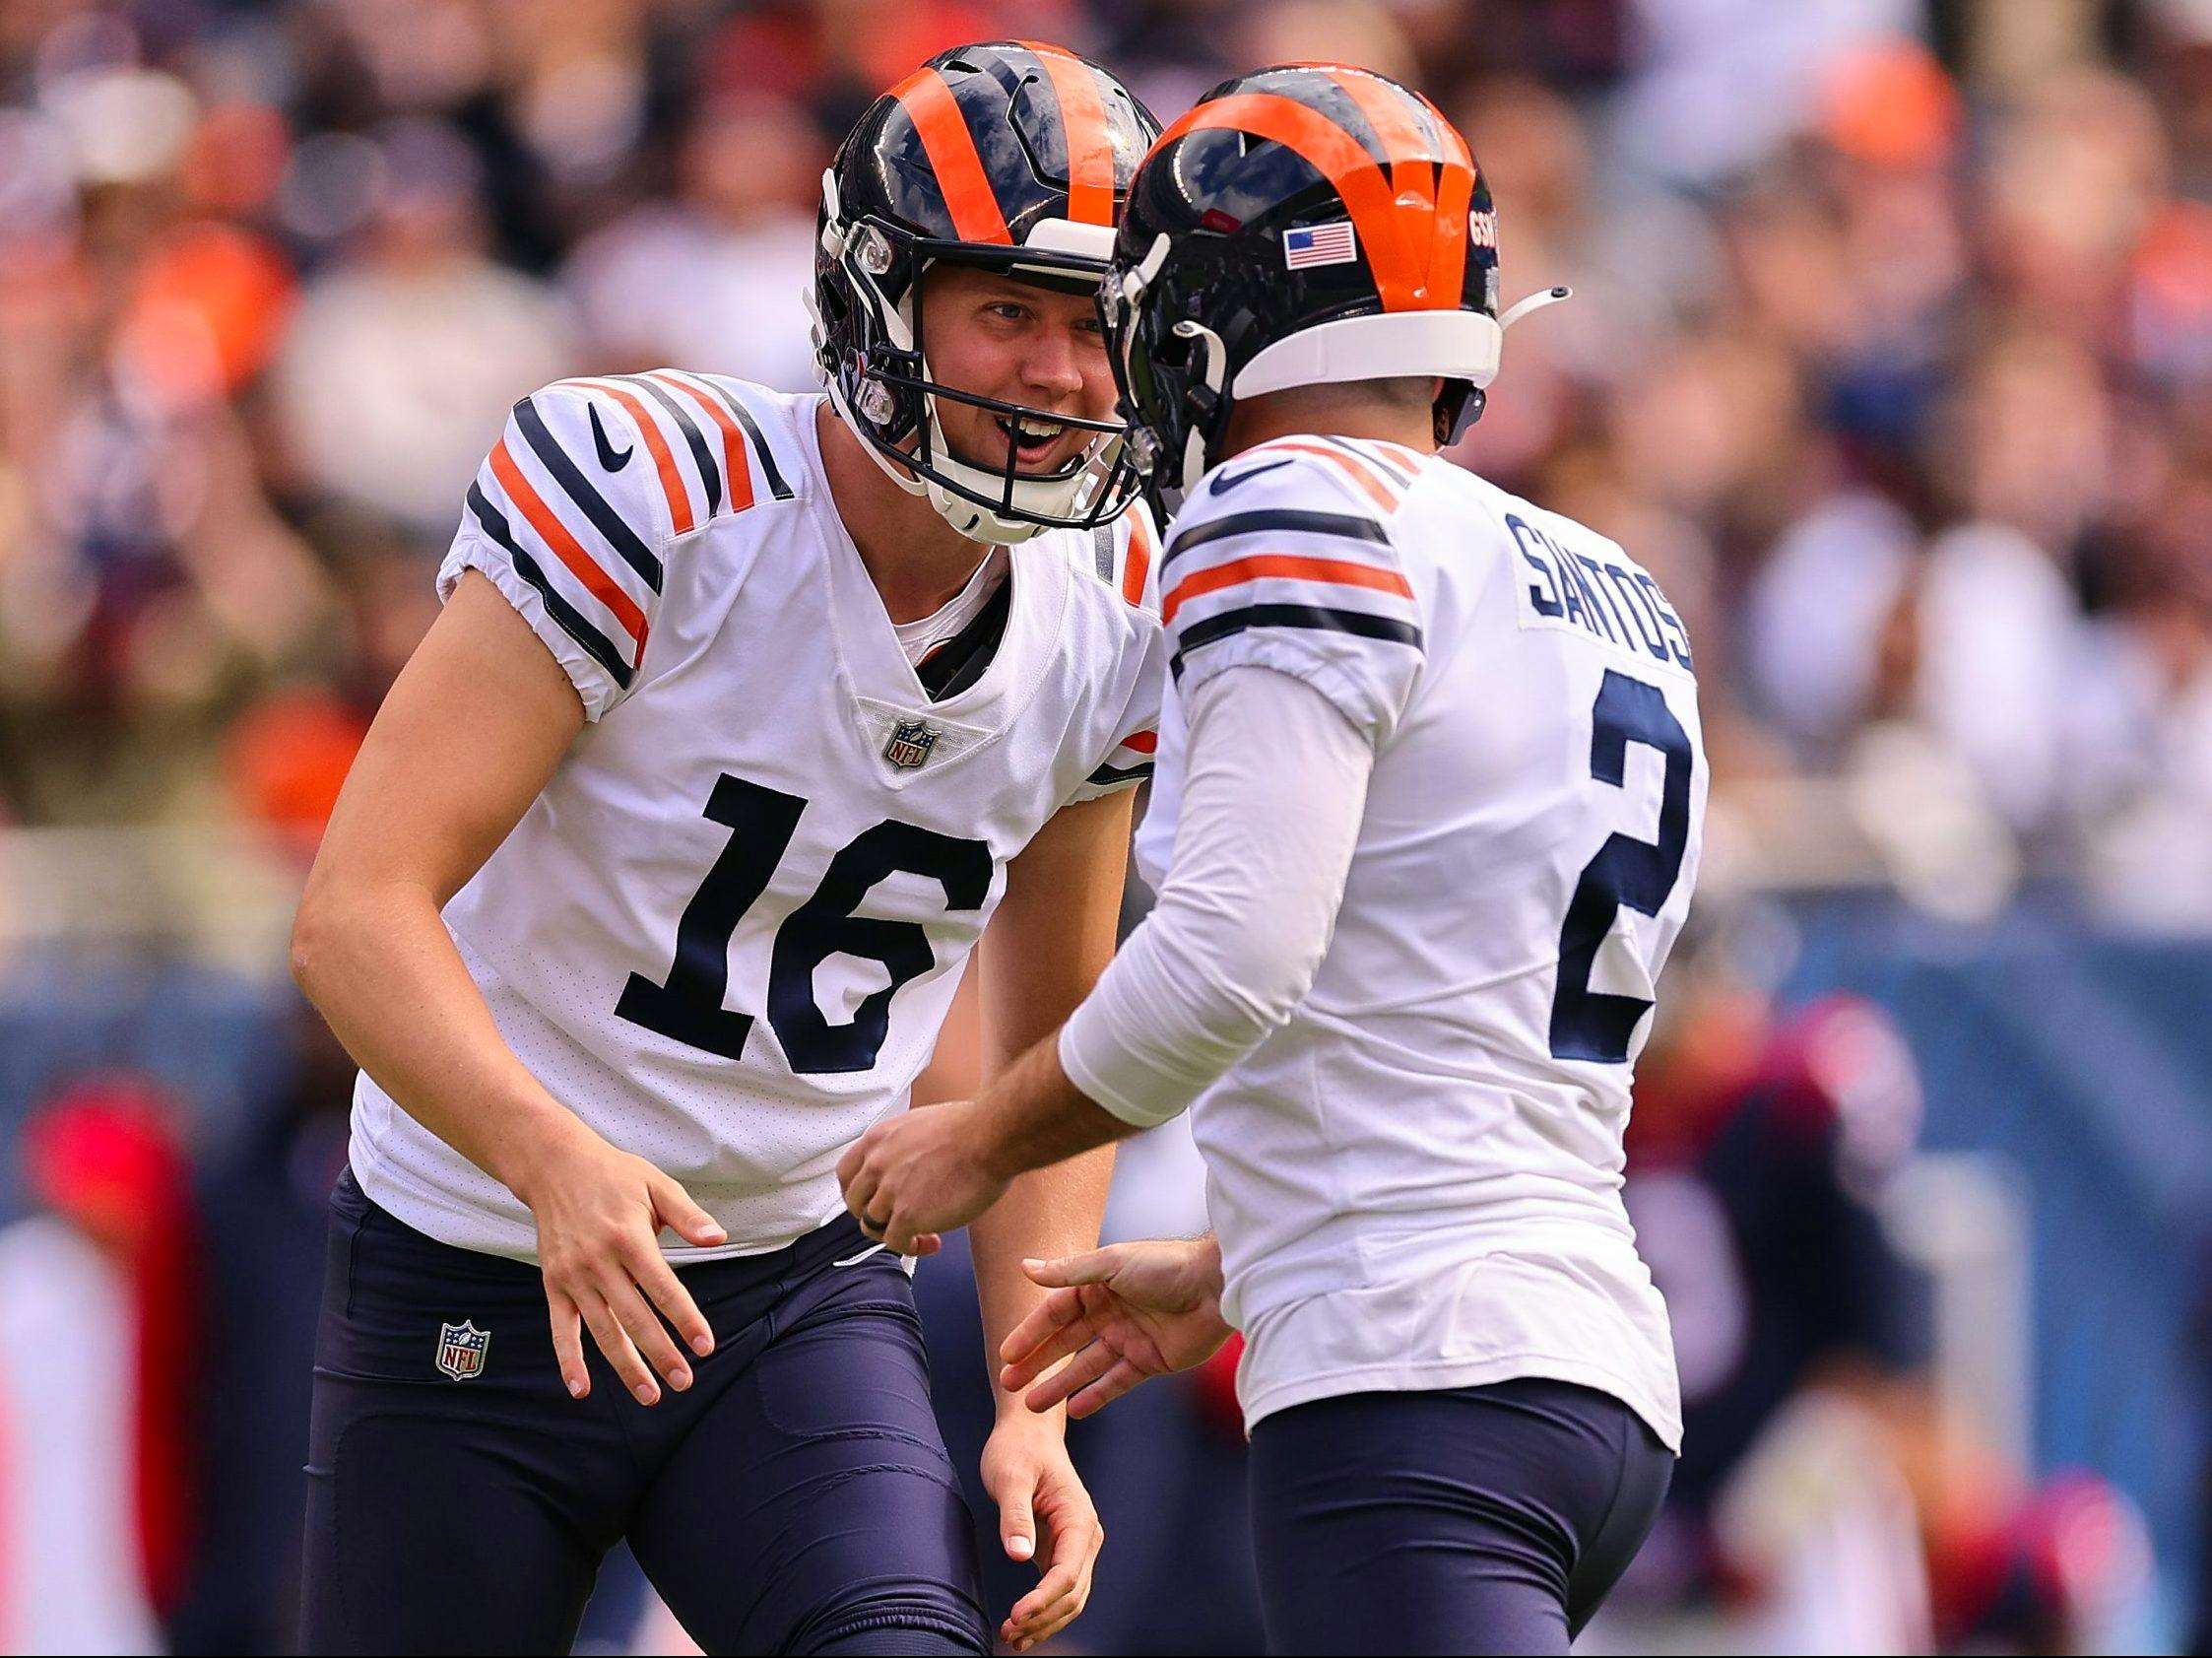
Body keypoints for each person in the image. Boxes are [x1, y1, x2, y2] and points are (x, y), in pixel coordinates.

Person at [288, 42, 1165, 1657]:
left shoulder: (1116, 601)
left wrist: (1030, 1392)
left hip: (784, 1277)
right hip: (477, 1259)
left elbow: (1050, 1037)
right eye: (1010, 310)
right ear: (875, 304)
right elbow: (353, 915)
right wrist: (549, 1157)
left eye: (1098, 319)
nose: (1062, 370)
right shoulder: (658, 497)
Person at [837, 63, 1706, 1656]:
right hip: (1585, 1381)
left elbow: (1233, 956)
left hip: (1411, 1392)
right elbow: (1462, 1039)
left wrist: (979, 1142)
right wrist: (1245, 1268)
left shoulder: (1287, 502)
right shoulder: (1601, 580)